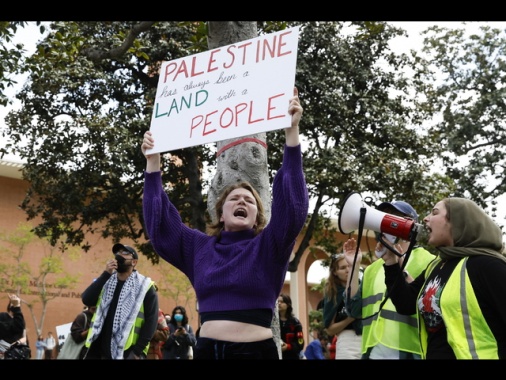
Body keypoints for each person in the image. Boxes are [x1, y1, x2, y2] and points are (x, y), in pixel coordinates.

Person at [141, 87, 308, 359]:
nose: (241, 201)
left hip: (257, 353)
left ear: (258, 217)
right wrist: (153, 164)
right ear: (220, 214)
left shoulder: (269, 245)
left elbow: (293, 208)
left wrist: (292, 133)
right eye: (234, 199)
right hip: (209, 351)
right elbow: (160, 228)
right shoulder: (199, 248)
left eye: (249, 201)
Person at [380, 197, 506, 359]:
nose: (426, 218)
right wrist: (391, 263)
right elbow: (406, 304)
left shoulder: (487, 266)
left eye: (435, 212)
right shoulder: (437, 266)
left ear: (457, 222)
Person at [344, 200, 435, 359]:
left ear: (410, 224)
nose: (387, 223)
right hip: (373, 351)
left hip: (411, 350)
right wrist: (354, 266)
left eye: (395, 218)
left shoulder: (428, 261)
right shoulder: (372, 269)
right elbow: (354, 310)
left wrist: (398, 266)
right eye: (384, 217)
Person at [81, 243, 159, 359]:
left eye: (125, 253)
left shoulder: (145, 287)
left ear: (134, 262)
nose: (120, 255)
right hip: (100, 350)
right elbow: (87, 299)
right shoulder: (106, 282)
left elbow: (151, 323)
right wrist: (106, 274)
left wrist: (137, 352)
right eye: (118, 253)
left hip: (128, 351)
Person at [321, 253, 362, 359]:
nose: (348, 270)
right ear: (335, 272)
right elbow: (330, 330)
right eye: (343, 267)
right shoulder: (333, 293)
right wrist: (351, 318)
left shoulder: (363, 286)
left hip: (369, 339)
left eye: (349, 265)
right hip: (348, 342)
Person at [278, 293, 304, 360]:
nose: (279, 303)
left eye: (282, 302)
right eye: (278, 302)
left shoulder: (296, 323)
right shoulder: (272, 322)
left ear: (288, 305)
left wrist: (288, 347)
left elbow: (300, 343)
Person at [0, 294, 26, 358]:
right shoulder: (2, 316)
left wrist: (18, 342)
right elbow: (9, 328)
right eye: (13, 303)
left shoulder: (20, 320)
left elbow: (24, 336)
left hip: (15, 351)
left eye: (16, 303)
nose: (14, 305)